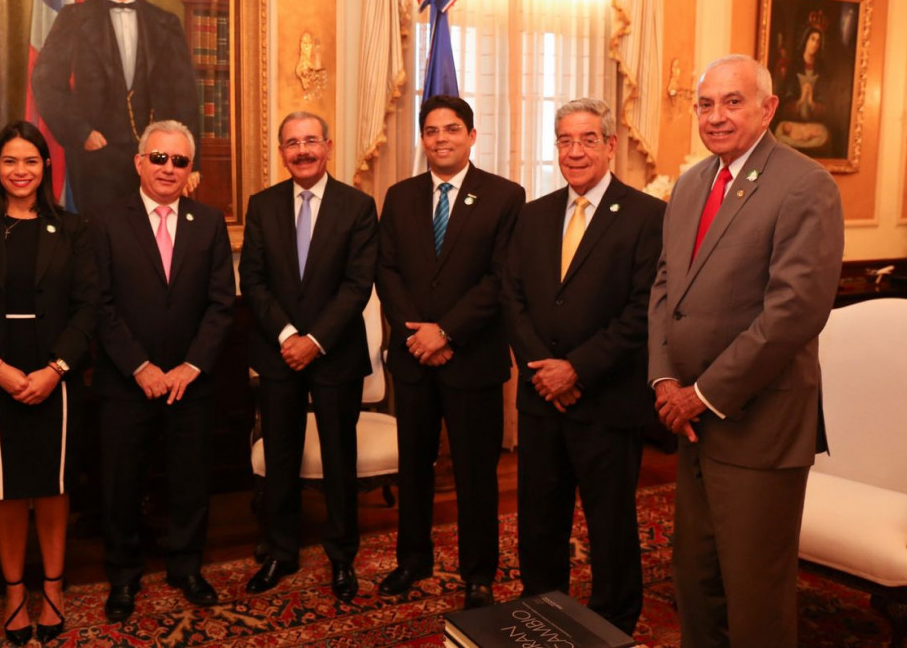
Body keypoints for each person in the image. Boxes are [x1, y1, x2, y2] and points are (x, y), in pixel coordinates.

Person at [650, 54, 844, 647]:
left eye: (732, 102)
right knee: (696, 582)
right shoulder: (690, 184)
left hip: (756, 425)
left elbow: (793, 314)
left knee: (754, 596)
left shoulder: (805, 184)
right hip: (690, 423)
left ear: (768, 108)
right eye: (705, 104)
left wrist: (702, 395)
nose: (716, 116)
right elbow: (664, 289)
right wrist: (663, 382)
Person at [502, 98, 664, 634]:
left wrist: (576, 369)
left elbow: (643, 310)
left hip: (607, 400)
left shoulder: (646, 216)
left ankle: (614, 624)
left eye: (587, 139)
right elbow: (513, 299)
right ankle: (542, 611)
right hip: (541, 399)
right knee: (539, 520)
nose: (575, 151)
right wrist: (541, 372)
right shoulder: (534, 214)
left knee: (609, 522)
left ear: (611, 145)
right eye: (565, 140)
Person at [0, 121, 97, 645]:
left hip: (58, 376)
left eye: (31, 160)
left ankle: (52, 588)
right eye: (10, 161)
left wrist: (55, 370)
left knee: (52, 488)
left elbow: (88, 308)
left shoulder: (73, 229)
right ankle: (13, 592)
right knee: (6, 491)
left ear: (45, 167)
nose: (21, 170)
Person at [375, 94, 526, 609]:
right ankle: (411, 560)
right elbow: (387, 271)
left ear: (472, 136)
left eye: (452, 129)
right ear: (422, 138)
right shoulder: (399, 196)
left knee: (475, 473)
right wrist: (418, 334)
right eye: (432, 130)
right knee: (413, 466)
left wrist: (447, 332)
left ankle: (478, 574)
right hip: (414, 359)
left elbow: (500, 279)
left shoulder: (506, 197)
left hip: (473, 359)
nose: (441, 138)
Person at [91, 119, 235, 621]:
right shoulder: (105, 221)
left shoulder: (209, 222)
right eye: (159, 158)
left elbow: (221, 306)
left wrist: (190, 366)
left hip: (190, 383)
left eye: (179, 161)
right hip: (126, 381)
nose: (168, 168)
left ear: (189, 169)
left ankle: (186, 566)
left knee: (190, 479)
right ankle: (124, 576)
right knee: (122, 483)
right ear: (139, 162)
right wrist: (141, 366)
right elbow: (100, 305)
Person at [239, 111, 379, 602]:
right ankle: (280, 551)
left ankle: (342, 556)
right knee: (280, 455)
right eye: (292, 142)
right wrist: (286, 335)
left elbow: (357, 285)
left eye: (311, 141)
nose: (302, 150)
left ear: (328, 145)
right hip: (278, 354)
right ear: (282, 152)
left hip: (335, 353)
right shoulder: (262, 205)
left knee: (341, 457)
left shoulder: (358, 206)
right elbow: (252, 280)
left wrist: (314, 339)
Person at [31, 0, 200, 216]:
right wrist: (82, 133)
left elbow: (185, 98)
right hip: (97, 166)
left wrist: (192, 163)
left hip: (159, 164)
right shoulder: (74, 18)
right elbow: (45, 81)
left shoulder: (166, 23)